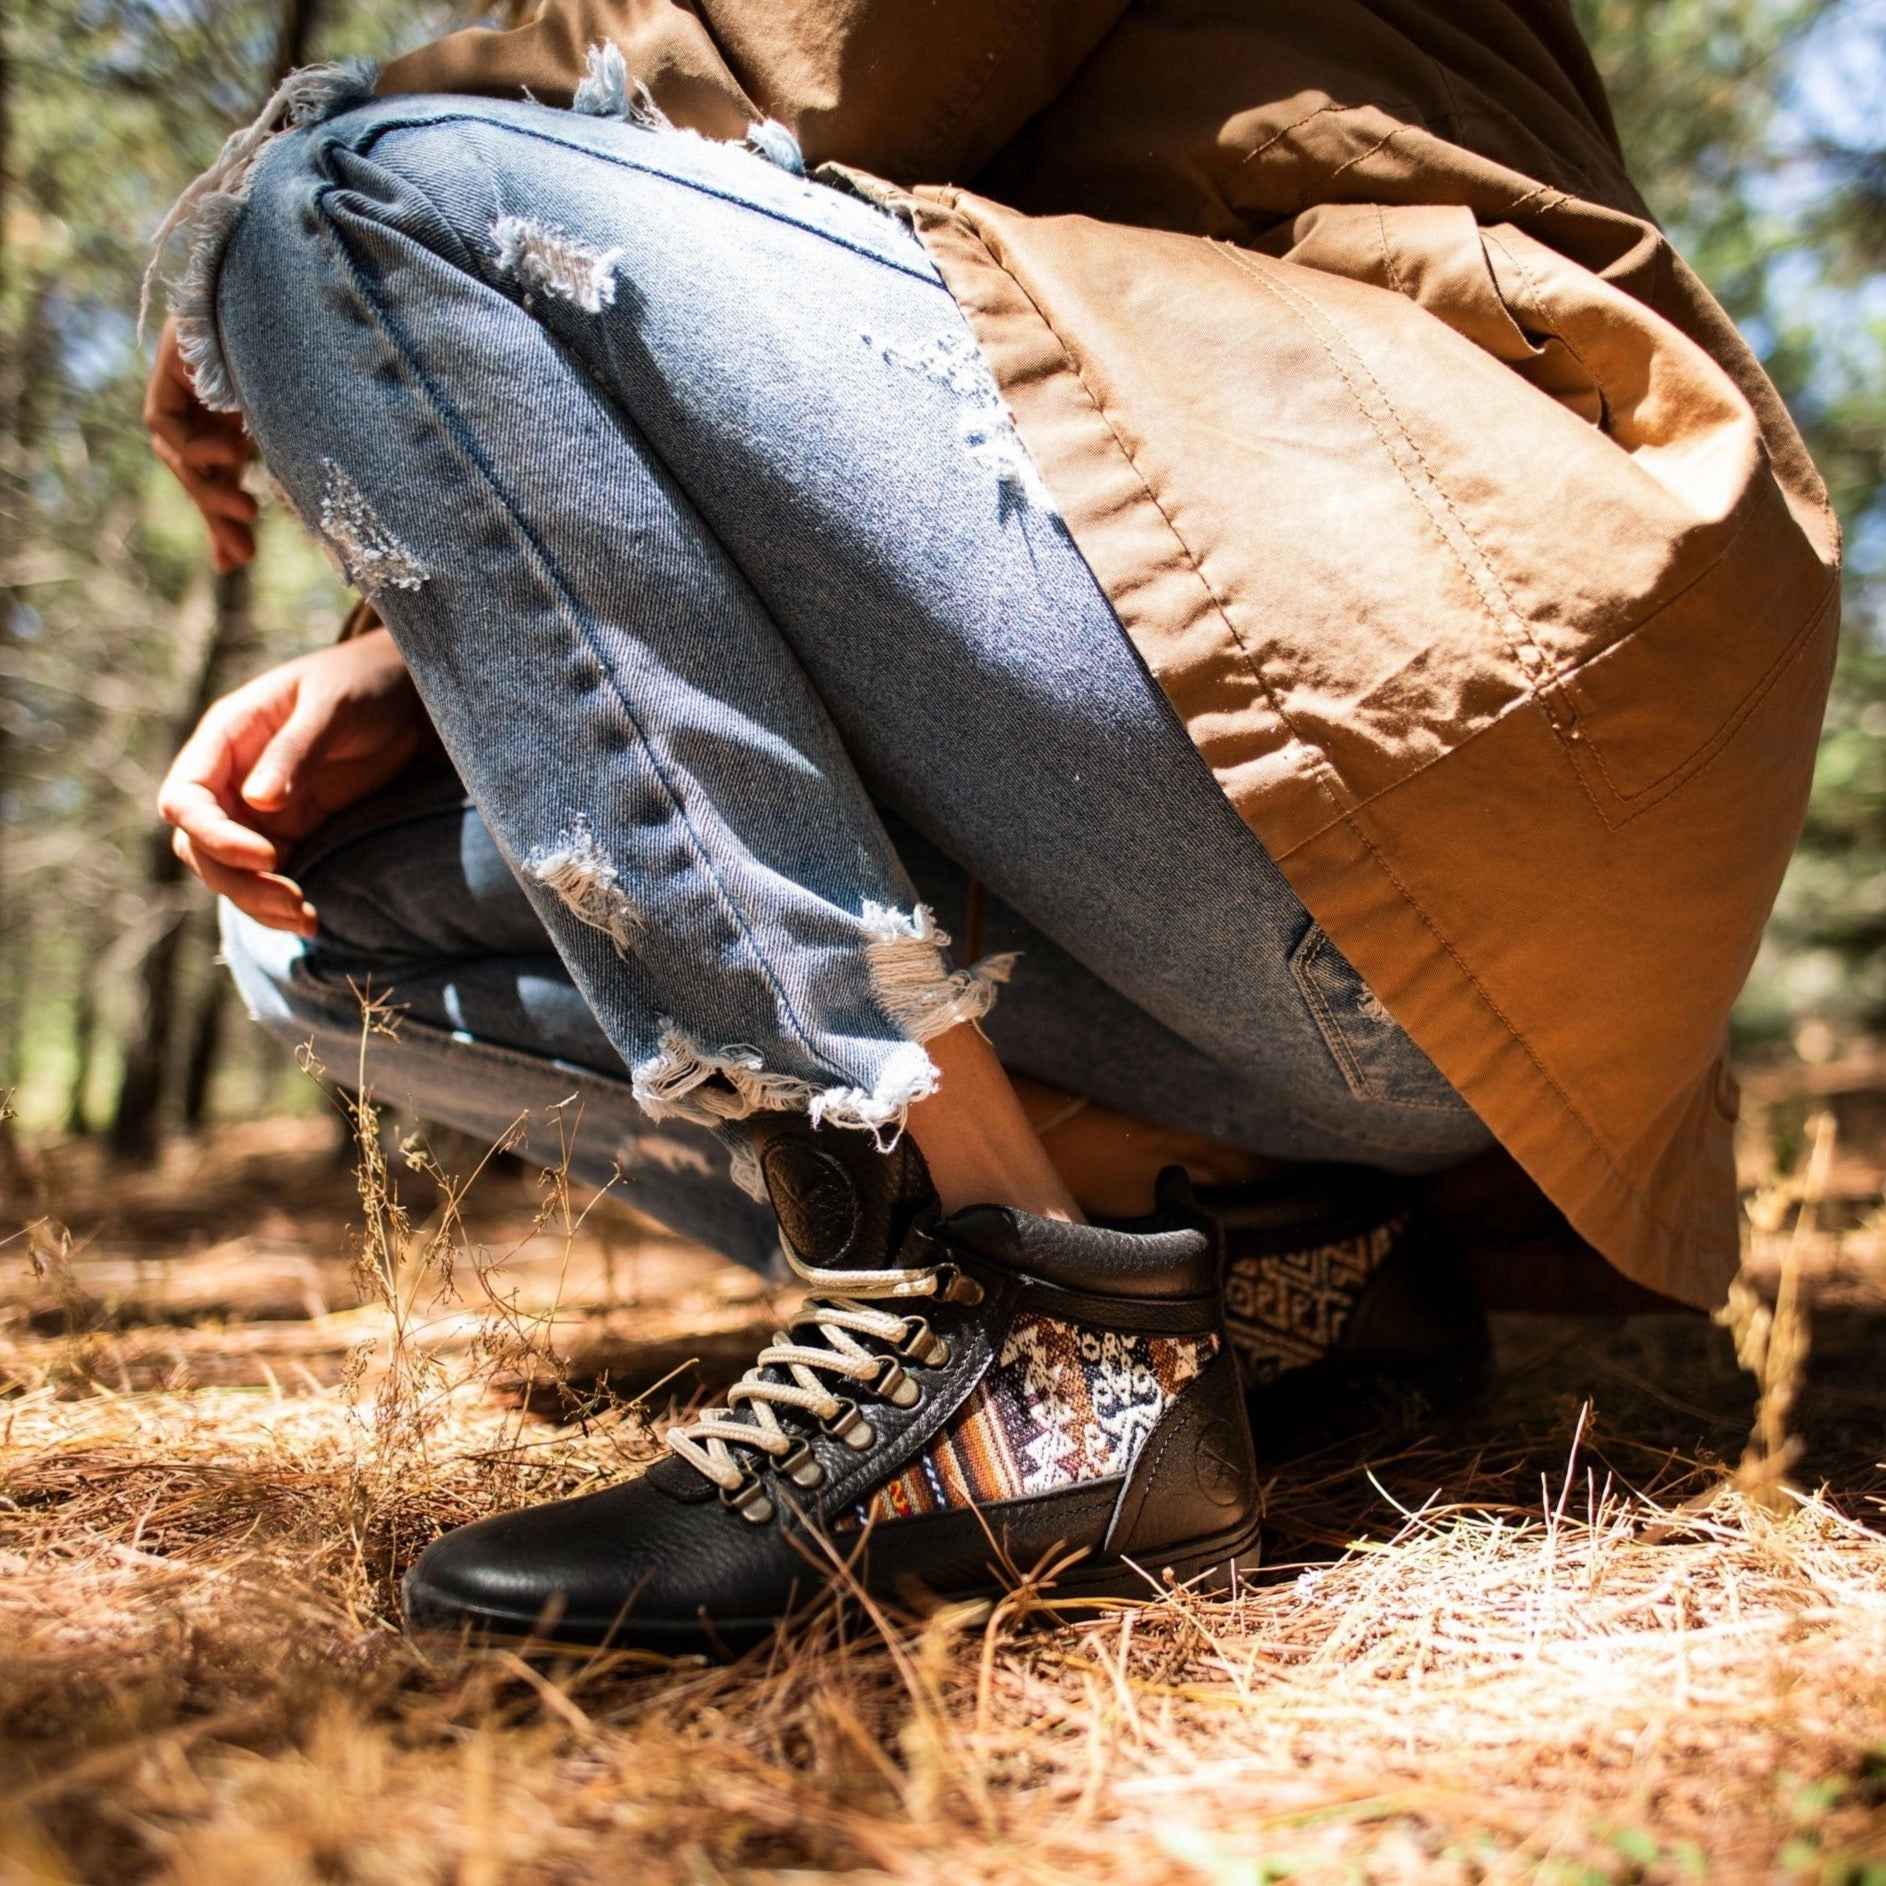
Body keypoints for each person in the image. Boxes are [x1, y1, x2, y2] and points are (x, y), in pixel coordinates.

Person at [145, 1, 1836, 1649]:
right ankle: (1259, 1249)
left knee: (351, 198)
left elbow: (799, 60)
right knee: (316, 913)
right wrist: (406, 666)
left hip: (1412, 658)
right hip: (1272, 855)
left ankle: (1007, 1310)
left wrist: (264, 219)